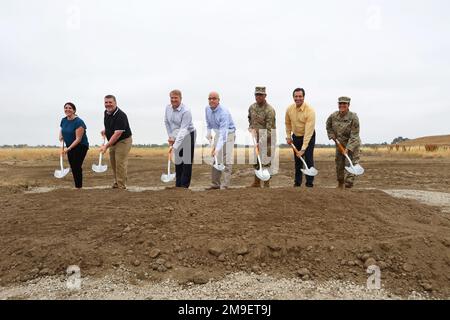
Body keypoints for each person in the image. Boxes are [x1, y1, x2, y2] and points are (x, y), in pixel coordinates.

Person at [326, 96, 361, 189]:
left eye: (344, 104)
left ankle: (349, 185)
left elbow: (354, 135)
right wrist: (331, 134)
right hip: (339, 144)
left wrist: (348, 149)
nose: (342, 105)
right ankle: (340, 184)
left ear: (348, 105)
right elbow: (328, 125)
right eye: (340, 103)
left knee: (350, 165)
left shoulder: (353, 117)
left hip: (352, 145)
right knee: (339, 164)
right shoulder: (333, 116)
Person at [164, 90, 196, 188]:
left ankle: (184, 186)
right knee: (178, 161)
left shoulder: (186, 111)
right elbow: (166, 122)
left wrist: (175, 146)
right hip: (175, 134)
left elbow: (183, 130)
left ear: (180, 99)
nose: (173, 100)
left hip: (188, 134)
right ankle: (178, 185)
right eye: (172, 98)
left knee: (186, 161)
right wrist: (171, 137)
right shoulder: (168, 108)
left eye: (176, 98)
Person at [99, 95, 133, 189]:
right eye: (106, 102)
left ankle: (121, 185)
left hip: (123, 141)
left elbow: (118, 133)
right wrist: (105, 130)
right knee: (113, 162)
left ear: (115, 103)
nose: (108, 104)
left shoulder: (121, 115)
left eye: (110, 102)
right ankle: (117, 182)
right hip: (113, 141)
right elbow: (110, 125)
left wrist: (106, 146)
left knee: (120, 162)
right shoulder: (106, 112)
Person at [285, 88, 316, 188]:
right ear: (293, 97)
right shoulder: (289, 109)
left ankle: (309, 183)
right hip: (296, 136)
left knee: (308, 159)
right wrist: (289, 136)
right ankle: (297, 183)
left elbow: (308, 132)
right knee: (298, 160)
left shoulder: (310, 111)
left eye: (300, 96)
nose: (298, 98)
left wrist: (303, 149)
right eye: (296, 96)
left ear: (303, 97)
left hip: (308, 136)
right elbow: (287, 123)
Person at [205, 91, 236, 190]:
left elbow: (224, 134)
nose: (211, 100)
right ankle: (215, 184)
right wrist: (209, 132)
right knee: (216, 158)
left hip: (229, 133)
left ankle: (225, 185)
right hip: (218, 133)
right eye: (210, 98)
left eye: (214, 98)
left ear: (218, 100)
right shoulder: (207, 109)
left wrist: (217, 149)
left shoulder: (224, 112)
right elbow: (208, 123)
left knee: (226, 158)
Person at [248, 86, 276, 188]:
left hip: (268, 140)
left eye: (260, 95)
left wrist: (260, 143)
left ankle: (266, 184)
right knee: (256, 161)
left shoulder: (270, 110)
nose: (258, 97)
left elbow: (270, 131)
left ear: (265, 96)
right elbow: (250, 120)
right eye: (257, 94)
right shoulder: (252, 107)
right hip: (256, 139)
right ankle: (256, 183)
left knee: (266, 162)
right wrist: (251, 128)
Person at [59, 102, 89, 189]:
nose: (67, 109)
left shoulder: (79, 122)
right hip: (69, 146)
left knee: (76, 166)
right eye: (66, 108)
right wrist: (60, 136)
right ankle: (77, 186)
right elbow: (62, 128)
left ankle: (79, 187)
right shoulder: (63, 120)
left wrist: (68, 149)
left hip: (81, 146)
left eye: (70, 108)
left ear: (74, 110)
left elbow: (78, 139)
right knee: (73, 166)